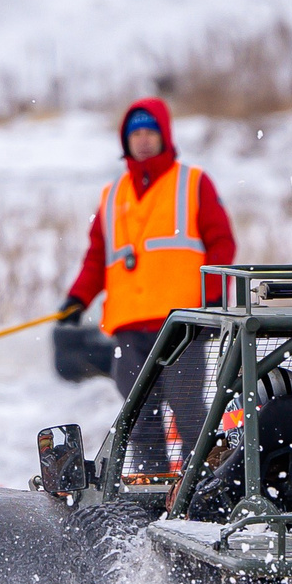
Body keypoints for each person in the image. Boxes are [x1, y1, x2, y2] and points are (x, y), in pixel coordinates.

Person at [59, 99, 237, 472]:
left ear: (164, 136)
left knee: (188, 411)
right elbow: (97, 256)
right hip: (129, 325)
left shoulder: (192, 182)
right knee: (138, 419)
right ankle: (152, 490)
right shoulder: (112, 195)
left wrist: (215, 293)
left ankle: (202, 490)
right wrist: (78, 297)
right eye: (135, 133)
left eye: (149, 132)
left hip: (181, 324)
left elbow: (221, 242)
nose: (142, 140)